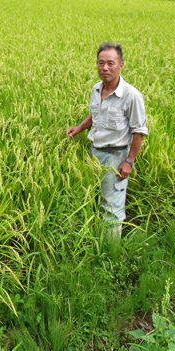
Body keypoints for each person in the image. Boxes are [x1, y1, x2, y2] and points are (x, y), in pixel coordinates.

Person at [66, 42, 148, 239]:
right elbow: (95, 115)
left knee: (111, 207)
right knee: (92, 199)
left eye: (110, 63)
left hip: (115, 157)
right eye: (101, 63)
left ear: (121, 65)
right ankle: (95, 241)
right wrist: (78, 129)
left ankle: (111, 254)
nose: (105, 68)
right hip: (93, 152)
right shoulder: (96, 89)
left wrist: (129, 161)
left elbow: (139, 131)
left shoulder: (131, 95)